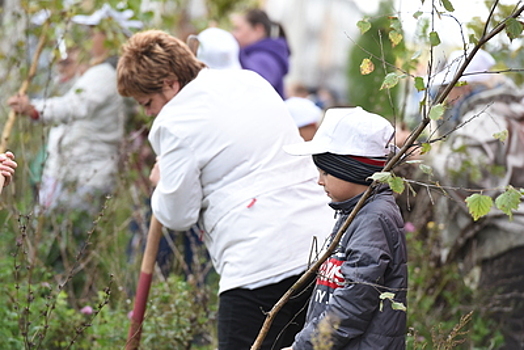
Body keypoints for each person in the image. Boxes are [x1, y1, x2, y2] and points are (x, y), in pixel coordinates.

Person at [116, 30, 333, 350]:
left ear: (170, 84)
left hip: (258, 266)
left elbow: (178, 215)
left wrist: (161, 185)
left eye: (147, 102)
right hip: (320, 247)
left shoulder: (175, 121)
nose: (149, 113)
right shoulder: (252, 82)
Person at [282, 107, 408, 350]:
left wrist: (307, 345)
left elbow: (353, 303)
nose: (319, 180)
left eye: (325, 172)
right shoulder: (353, 212)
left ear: (350, 170)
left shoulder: (373, 218)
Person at [429, 49, 524, 349]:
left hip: (505, 243)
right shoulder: (512, 110)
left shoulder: (483, 117)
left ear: (465, 85)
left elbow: (463, 175)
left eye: (448, 88)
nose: (443, 98)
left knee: (499, 335)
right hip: (514, 236)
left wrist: (425, 159)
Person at [7, 5, 141, 215]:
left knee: (62, 240)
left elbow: (73, 105)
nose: (89, 38)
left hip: (83, 175)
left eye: (94, 33)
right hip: (72, 174)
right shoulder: (100, 71)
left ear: (107, 37)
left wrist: (32, 108)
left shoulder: (104, 74)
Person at [231, 8, 290, 99]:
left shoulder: (265, 58)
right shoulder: (266, 54)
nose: (233, 34)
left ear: (258, 29)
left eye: (238, 29)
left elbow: (253, 85)